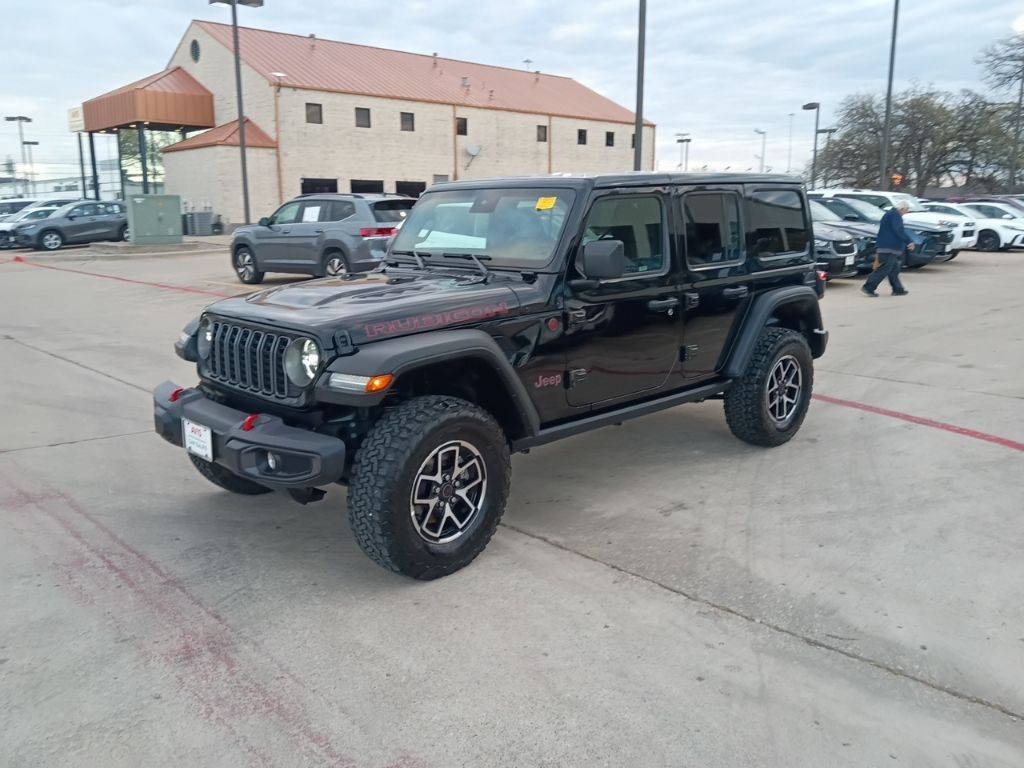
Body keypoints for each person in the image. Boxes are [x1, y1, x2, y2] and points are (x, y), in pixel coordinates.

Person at [862, 200, 913, 297]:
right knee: (884, 269)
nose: (906, 213)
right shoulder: (895, 215)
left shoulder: (889, 214)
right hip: (889, 248)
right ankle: (868, 287)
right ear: (901, 209)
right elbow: (898, 230)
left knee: (894, 269)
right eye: (906, 210)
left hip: (886, 247)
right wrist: (909, 241)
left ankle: (898, 289)